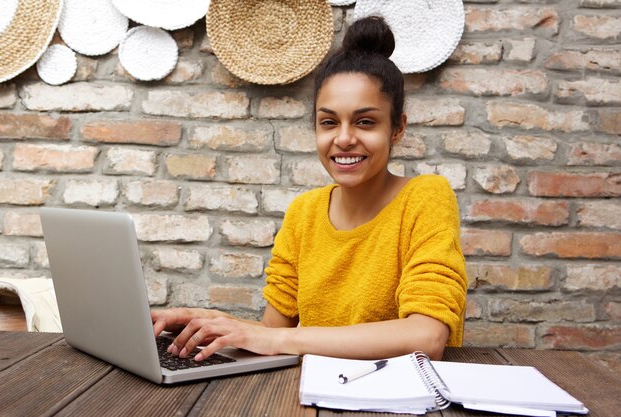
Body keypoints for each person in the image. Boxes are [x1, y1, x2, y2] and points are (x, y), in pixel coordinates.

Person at [152, 16, 467, 361]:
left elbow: (426, 335)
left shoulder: (426, 197)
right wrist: (203, 321)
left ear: (397, 129)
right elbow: (273, 334)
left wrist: (283, 340)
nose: (344, 139)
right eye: (329, 122)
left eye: (365, 122)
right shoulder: (305, 213)